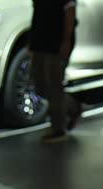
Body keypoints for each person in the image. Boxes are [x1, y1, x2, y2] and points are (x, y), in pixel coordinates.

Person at [30, 0, 81, 143]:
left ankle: (58, 128)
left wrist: (66, 40)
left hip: (56, 40)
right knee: (40, 86)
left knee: (54, 84)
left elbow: (70, 11)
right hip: (39, 41)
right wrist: (32, 43)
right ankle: (72, 106)